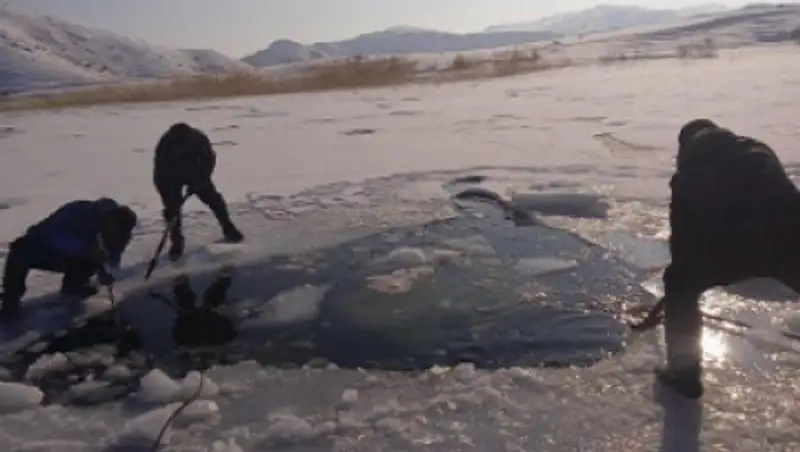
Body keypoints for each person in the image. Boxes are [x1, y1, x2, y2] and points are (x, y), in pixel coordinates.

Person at [629, 118, 800, 399]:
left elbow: (682, 242)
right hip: (789, 237)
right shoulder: (758, 149)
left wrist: (677, 286)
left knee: (681, 285)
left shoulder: (687, 174)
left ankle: (685, 377)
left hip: (726, 246)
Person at [0, 198, 138, 320]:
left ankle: (74, 287)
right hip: (42, 245)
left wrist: (107, 273)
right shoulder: (80, 210)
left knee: (91, 261)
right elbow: (53, 234)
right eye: (114, 230)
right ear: (110, 218)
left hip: (74, 257)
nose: (114, 236)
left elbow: (113, 259)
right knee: (19, 251)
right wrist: (84, 249)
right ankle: (11, 300)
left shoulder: (121, 233)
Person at [153, 122, 244, 261]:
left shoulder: (198, 138)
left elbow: (209, 159)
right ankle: (177, 241)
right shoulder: (165, 147)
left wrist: (201, 179)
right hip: (169, 177)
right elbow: (162, 175)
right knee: (172, 211)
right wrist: (172, 201)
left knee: (214, 200)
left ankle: (228, 227)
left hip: (196, 171)